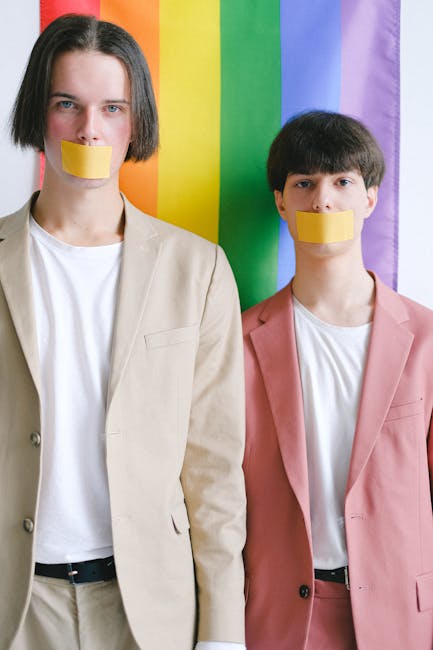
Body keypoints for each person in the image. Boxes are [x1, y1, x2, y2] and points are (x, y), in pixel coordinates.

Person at [1, 14, 246, 650]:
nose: (90, 128)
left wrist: (222, 635)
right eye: (67, 104)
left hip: (149, 609)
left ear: (135, 124)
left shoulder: (198, 269)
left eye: (112, 108)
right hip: (14, 606)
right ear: (37, 114)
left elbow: (215, 470)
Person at [242, 111, 433, 649]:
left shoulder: (425, 338)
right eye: (304, 183)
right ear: (281, 202)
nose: (322, 201)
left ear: (370, 198)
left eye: (342, 182)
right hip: (281, 618)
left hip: (402, 615)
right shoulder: (238, 343)